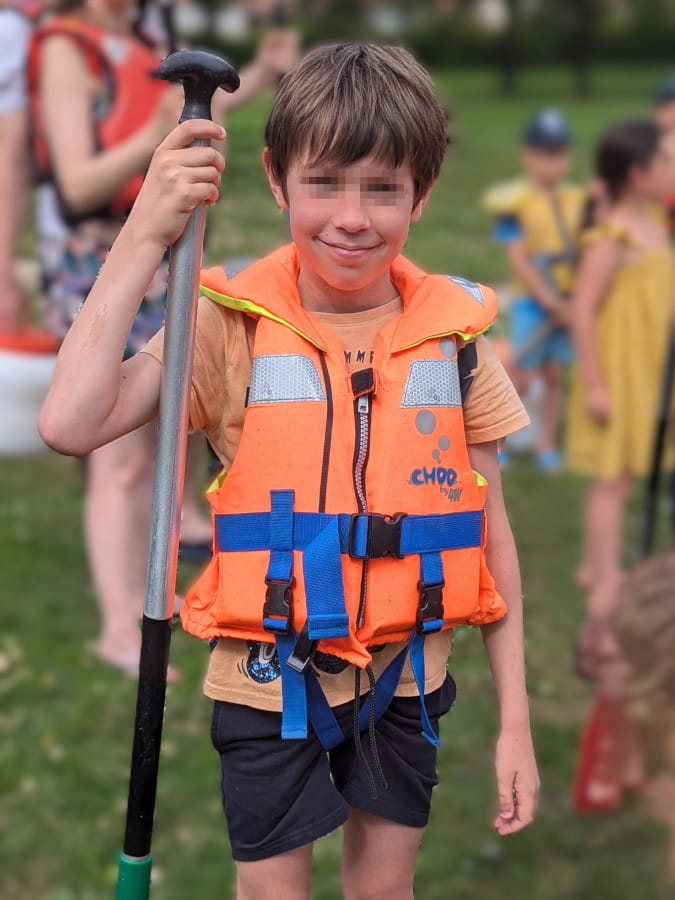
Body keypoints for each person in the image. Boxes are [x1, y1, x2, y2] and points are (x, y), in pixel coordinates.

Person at [39, 44, 539, 898]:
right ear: (277, 179)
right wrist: (148, 231)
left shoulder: (451, 341)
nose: (352, 217)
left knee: (383, 891)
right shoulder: (224, 324)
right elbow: (71, 422)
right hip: (268, 680)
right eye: (326, 183)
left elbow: (488, 534)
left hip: (407, 675)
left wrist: (516, 723)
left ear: (421, 192)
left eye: (382, 189)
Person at [29, 0, 299, 676]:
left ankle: (148, 575)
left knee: (153, 433)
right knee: (116, 454)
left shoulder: (149, 37)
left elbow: (192, 126)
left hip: (162, 255)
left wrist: (261, 74)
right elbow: (79, 179)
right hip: (100, 256)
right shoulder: (69, 49)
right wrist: (156, 150)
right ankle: (121, 624)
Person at [567, 120, 674, 774]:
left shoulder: (658, 226)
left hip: (652, 372)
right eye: (665, 159)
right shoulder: (612, 237)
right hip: (620, 373)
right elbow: (582, 311)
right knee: (612, 481)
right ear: (638, 174)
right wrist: (599, 384)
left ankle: (624, 574)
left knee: (635, 475)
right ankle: (604, 575)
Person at [483, 108, 584, 471]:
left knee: (556, 375)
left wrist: (571, 302)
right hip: (534, 303)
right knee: (520, 378)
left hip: (567, 304)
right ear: (528, 154)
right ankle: (499, 445)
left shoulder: (578, 203)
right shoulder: (514, 204)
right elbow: (518, 259)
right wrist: (547, 299)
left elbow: (586, 250)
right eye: (545, 153)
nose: (553, 163)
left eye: (559, 154)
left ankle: (545, 445)